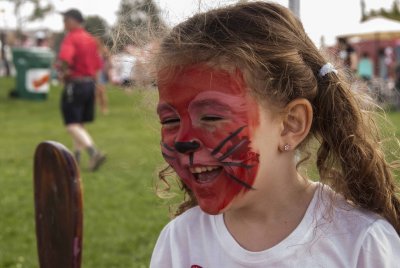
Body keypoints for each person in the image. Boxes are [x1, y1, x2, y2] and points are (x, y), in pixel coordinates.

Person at [150, 2, 400, 267]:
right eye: (170, 120)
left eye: (212, 117)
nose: (182, 141)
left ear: (291, 124)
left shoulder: (361, 242)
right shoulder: (181, 241)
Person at [57, 9, 106, 171]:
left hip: (75, 85)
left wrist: (62, 73)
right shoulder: (91, 40)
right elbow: (98, 65)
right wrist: (99, 87)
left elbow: (65, 59)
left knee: (71, 124)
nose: (63, 23)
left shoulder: (71, 38)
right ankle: (75, 159)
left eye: (65, 20)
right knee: (79, 124)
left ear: (73, 21)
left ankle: (94, 152)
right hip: (89, 84)